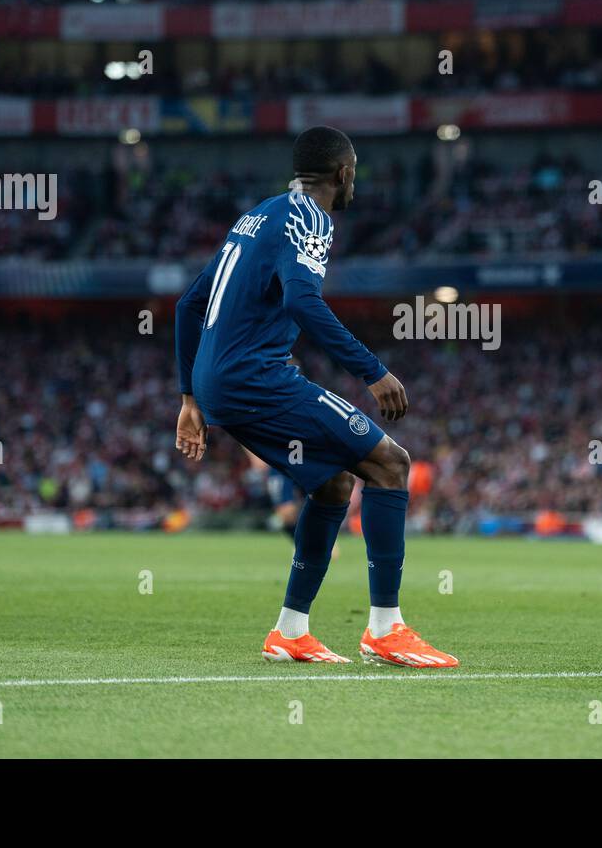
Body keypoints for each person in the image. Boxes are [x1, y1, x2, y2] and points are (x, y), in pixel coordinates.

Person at [173, 126, 457, 667]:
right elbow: (304, 302)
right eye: (355, 172)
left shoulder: (258, 213)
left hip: (218, 383)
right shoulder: (310, 217)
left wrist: (189, 398)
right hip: (254, 377)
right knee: (391, 463)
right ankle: (385, 628)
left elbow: (190, 304)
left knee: (333, 484)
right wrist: (373, 372)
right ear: (343, 173)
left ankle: (290, 631)